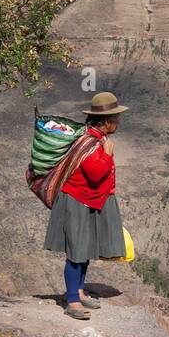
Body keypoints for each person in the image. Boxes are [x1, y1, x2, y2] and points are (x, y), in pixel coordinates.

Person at [44, 91, 128, 319]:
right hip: (77, 201)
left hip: (89, 201)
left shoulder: (95, 139)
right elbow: (95, 174)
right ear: (107, 122)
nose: (118, 123)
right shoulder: (89, 143)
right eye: (116, 119)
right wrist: (108, 155)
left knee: (85, 249)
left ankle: (79, 291)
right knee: (77, 251)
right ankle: (72, 302)